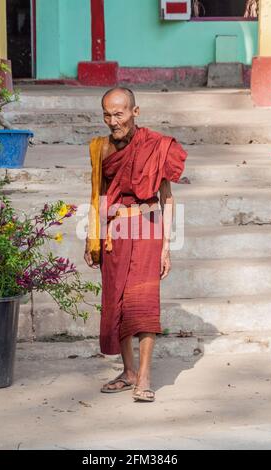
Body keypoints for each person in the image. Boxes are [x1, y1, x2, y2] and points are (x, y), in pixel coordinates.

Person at [84, 87, 187, 402]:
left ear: (135, 112)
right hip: (115, 232)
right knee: (116, 302)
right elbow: (98, 195)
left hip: (147, 227)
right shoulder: (101, 148)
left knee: (143, 304)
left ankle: (144, 377)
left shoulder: (157, 146)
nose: (113, 121)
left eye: (119, 113)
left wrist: (166, 245)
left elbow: (167, 197)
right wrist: (93, 237)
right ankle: (128, 372)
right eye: (107, 114)